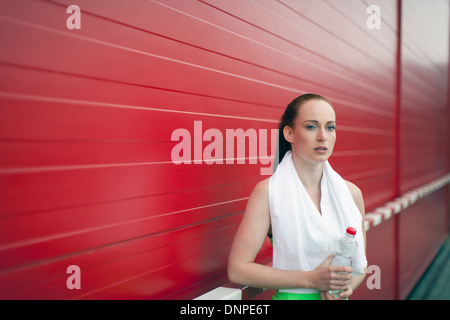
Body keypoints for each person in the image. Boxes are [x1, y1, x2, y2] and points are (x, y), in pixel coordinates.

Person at [227, 93, 367, 300]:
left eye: (330, 127)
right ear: (290, 134)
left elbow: (359, 267)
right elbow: (238, 269)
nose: (323, 136)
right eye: (311, 126)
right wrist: (310, 280)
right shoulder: (268, 192)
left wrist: (346, 287)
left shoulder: (351, 194)